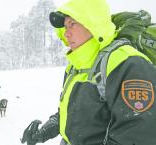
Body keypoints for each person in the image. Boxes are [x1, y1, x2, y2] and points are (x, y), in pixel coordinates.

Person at [21, 0, 156, 145]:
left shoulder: (127, 63)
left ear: (93, 24)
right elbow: (73, 115)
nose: (66, 33)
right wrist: (42, 133)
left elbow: (136, 136)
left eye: (72, 24)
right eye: (65, 27)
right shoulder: (76, 66)